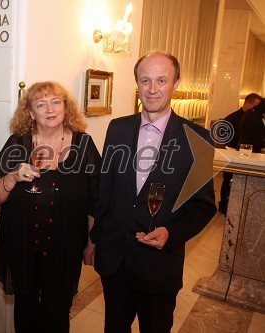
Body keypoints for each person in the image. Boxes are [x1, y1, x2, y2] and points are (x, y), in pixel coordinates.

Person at [90, 51, 216, 333]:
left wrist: (171, 233)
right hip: (116, 262)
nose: (153, 88)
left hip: (159, 267)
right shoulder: (118, 128)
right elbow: (104, 190)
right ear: (137, 83)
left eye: (161, 80)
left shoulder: (197, 138)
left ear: (176, 83)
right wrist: (94, 239)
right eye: (145, 80)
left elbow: (203, 206)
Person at [0, 81, 101, 332]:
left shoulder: (84, 144)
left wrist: (92, 241)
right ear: (30, 113)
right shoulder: (18, 143)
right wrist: (13, 177)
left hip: (65, 247)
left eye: (56, 102)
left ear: (65, 107)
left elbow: (96, 199)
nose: (50, 109)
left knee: (57, 313)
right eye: (41, 104)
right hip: (23, 246)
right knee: (25, 310)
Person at [218, 93, 261, 214]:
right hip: (231, 152)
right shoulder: (233, 118)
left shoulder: (253, 118)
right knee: (228, 180)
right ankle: (224, 204)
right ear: (248, 103)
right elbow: (223, 137)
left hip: (244, 154)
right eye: (256, 106)